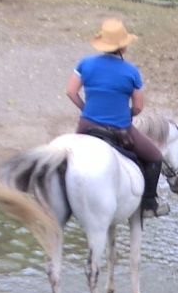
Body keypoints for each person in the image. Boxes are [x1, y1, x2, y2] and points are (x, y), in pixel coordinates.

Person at [65, 17, 168, 217]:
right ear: (124, 47)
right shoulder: (132, 72)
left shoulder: (85, 63)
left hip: (86, 126)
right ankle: (148, 204)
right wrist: (123, 113)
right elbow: (138, 107)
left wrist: (86, 109)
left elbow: (70, 91)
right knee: (156, 157)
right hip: (120, 128)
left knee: (67, 158)